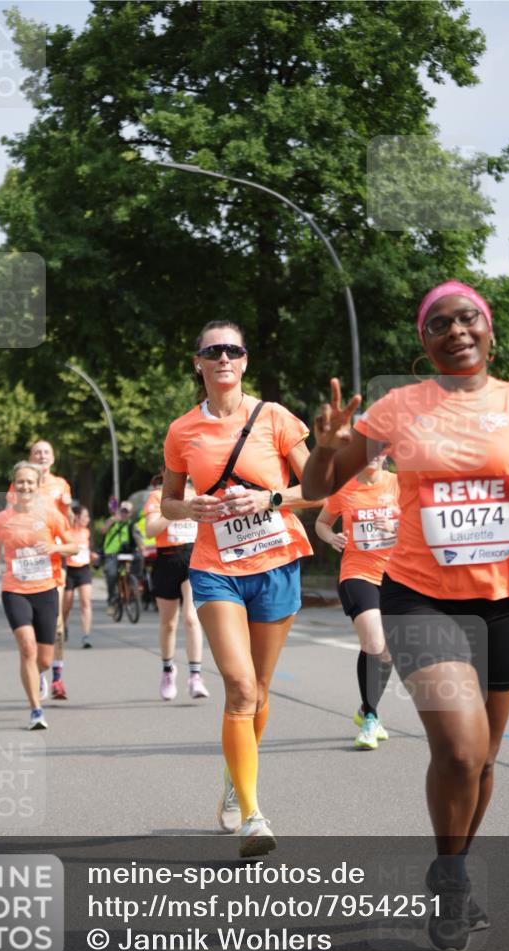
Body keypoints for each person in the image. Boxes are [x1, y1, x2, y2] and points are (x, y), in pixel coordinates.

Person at [302, 281, 509, 951]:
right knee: (458, 748)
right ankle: (450, 885)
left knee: (484, 761)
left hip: (508, 599)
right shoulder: (399, 408)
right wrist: (325, 448)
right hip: (420, 597)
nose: (455, 329)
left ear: (488, 329)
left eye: (466, 317)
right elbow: (315, 490)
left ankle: (452, 866)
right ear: (424, 342)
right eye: (438, 323)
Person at [162, 319, 319, 858]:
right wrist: (190, 508)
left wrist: (271, 499)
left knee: (263, 688)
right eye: (213, 350)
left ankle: (235, 775)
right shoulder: (183, 430)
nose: (224, 357)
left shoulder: (274, 417)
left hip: (276, 562)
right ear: (198, 363)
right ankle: (254, 815)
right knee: (240, 686)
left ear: (245, 360)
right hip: (216, 567)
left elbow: (317, 489)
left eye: (233, 349)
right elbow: (168, 503)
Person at [315, 455, 400, 749]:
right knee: (374, 643)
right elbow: (322, 522)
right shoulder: (344, 489)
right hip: (357, 574)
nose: (373, 456)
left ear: (385, 454)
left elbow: (420, 526)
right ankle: (371, 719)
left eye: (379, 450)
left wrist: (395, 527)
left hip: (395, 576)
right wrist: (330, 538)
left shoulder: (399, 484)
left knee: (388, 653)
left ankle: (366, 708)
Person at [0, 462, 78, 730]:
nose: (25, 486)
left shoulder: (51, 514)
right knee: (27, 646)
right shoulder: (1, 519)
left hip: (46, 590)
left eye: (29, 482)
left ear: (38, 485)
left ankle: (39, 675)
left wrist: (53, 547)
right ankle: (36, 710)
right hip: (14, 589)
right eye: (20, 482)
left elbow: (73, 546)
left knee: (45, 659)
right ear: (13, 486)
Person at [7, 441, 73, 700]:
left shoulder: (61, 484)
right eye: (37, 452)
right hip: (28, 559)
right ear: (30, 457)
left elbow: (65, 522)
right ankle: (37, 670)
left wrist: (66, 506)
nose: (42, 455)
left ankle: (56, 676)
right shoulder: (21, 483)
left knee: (56, 623)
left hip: (55, 555)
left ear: (53, 458)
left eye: (46, 452)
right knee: (31, 625)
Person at [143, 474, 208, 700]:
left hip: (193, 556)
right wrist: (176, 511)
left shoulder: (197, 493)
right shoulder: (157, 496)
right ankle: (168, 670)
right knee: (168, 623)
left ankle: (195, 676)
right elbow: (150, 530)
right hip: (166, 559)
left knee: (191, 617)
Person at [63, 505, 97, 648]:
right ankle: (63, 626)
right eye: (85, 516)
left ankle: (86, 636)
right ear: (76, 517)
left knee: (86, 602)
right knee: (67, 605)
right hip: (69, 571)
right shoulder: (67, 532)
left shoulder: (87, 532)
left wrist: (92, 555)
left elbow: (87, 549)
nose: (88, 520)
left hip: (83, 570)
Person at [101, 500, 144, 612]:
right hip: (112, 554)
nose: (124, 514)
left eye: (127, 512)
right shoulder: (112, 522)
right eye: (122, 511)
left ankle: (133, 588)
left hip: (127, 554)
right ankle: (111, 600)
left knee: (136, 567)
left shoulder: (132, 525)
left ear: (130, 514)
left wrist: (142, 550)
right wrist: (112, 520)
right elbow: (103, 531)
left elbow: (138, 538)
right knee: (111, 574)